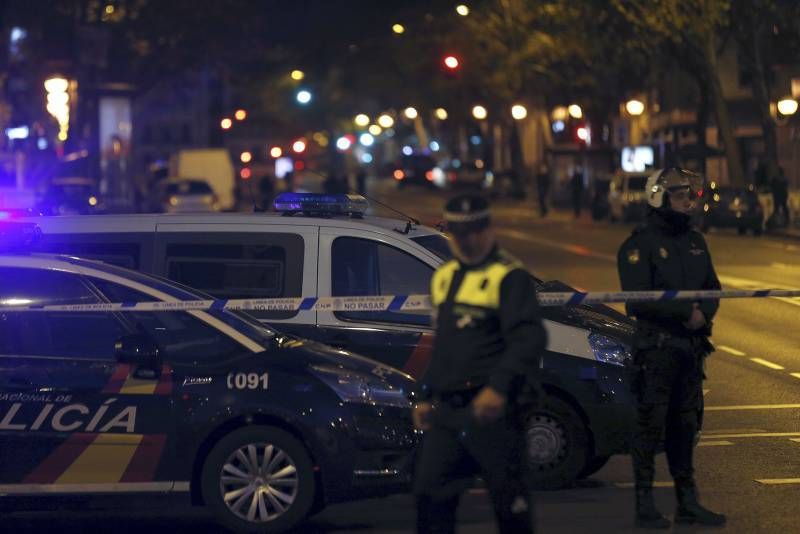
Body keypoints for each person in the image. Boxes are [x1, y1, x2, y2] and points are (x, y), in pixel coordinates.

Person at [411, 194, 547, 534]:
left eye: (473, 230)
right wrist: (426, 393)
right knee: (430, 495)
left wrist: (498, 389)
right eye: (458, 231)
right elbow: (444, 344)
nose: (467, 239)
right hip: (449, 411)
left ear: (488, 229)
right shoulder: (445, 277)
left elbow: (527, 340)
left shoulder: (509, 276)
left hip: (494, 413)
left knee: (510, 505)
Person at [617, 168, 726, 529]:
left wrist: (702, 314)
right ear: (659, 197)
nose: (688, 202)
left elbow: (713, 286)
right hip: (657, 350)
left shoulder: (696, 241)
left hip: (691, 349)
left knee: (685, 425)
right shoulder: (638, 245)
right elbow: (638, 299)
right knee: (649, 428)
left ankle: (687, 502)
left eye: (689, 196)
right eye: (680, 195)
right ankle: (644, 504)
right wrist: (686, 312)